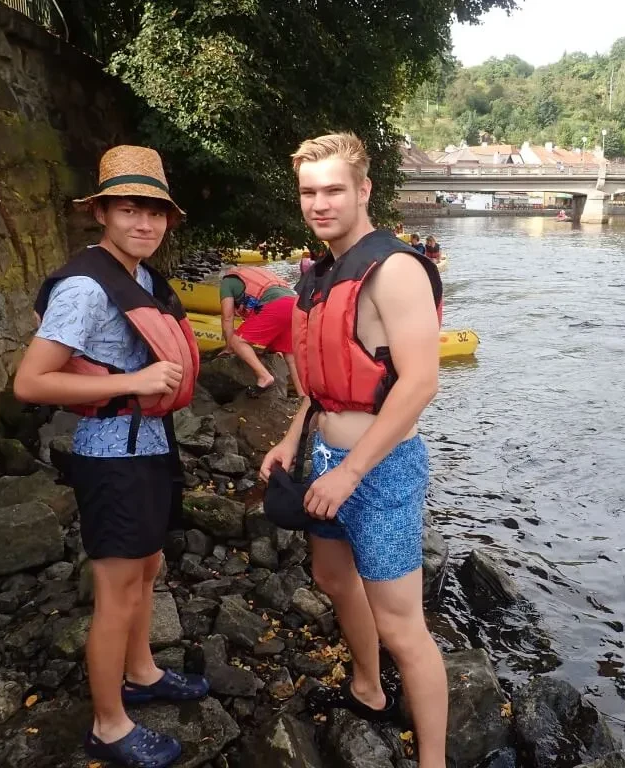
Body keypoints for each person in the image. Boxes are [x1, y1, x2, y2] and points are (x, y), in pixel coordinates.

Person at [14, 145, 209, 768]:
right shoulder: (83, 287)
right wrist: (134, 381)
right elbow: (31, 382)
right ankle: (108, 724)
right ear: (101, 213)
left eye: (155, 212)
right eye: (128, 210)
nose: (144, 224)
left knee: (147, 568)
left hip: (149, 444)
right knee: (117, 590)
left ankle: (142, 671)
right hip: (110, 454)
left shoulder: (141, 277)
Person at [260, 133, 448, 767]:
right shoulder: (318, 275)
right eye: (308, 192)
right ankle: (368, 688)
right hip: (325, 458)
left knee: (402, 626)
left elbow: (419, 384)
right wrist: (292, 439)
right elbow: (324, 386)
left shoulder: (395, 270)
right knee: (333, 579)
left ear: (364, 190)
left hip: (382, 468)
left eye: (334, 190)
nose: (320, 203)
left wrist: (352, 472)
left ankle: (434, 760)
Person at [219, 266, 304, 397]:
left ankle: (264, 376)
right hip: (295, 305)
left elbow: (227, 317)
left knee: (237, 341)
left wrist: (229, 347)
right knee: (290, 355)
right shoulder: (255, 274)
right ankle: (304, 398)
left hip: (277, 305)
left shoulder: (227, 282)